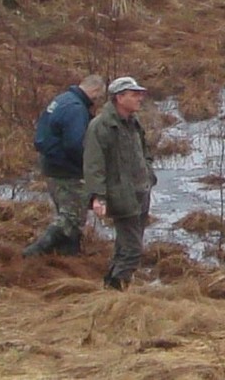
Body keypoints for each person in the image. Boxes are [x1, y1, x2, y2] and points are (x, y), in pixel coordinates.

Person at [83, 76, 157, 291]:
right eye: (134, 95)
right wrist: (98, 197)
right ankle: (117, 289)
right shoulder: (100, 127)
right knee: (133, 249)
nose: (139, 99)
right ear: (119, 97)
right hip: (121, 195)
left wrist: (148, 173)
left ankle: (110, 285)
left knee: (125, 245)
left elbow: (145, 151)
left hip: (141, 192)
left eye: (139, 94)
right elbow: (93, 165)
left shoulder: (134, 122)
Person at [22, 74, 106, 257]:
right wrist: (88, 167)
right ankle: (34, 252)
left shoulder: (62, 100)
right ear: (95, 91)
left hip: (51, 165)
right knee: (72, 218)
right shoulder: (76, 109)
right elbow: (75, 144)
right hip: (67, 171)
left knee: (68, 213)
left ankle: (69, 258)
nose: (97, 102)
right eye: (98, 98)